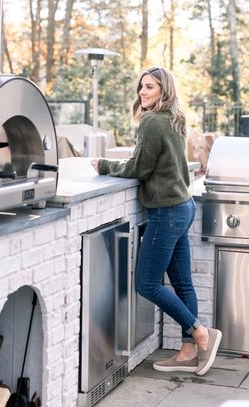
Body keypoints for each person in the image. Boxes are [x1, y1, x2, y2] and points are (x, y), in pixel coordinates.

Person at [90, 65, 222, 374]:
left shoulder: (151, 122)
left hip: (167, 212)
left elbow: (139, 168)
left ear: (163, 90)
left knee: (146, 283)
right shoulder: (176, 120)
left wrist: (104, 165)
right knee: (182, 283)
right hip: (183, 206)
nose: (142, 92)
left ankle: (200, 332)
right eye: (141, 87)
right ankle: (189, 353)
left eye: (149, 87)